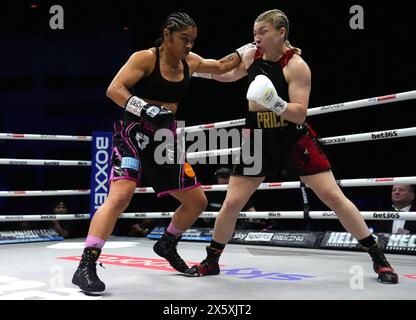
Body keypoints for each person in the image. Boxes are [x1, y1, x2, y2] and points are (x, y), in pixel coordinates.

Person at [184, 9, 398, 284]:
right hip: (258, 135)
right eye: (254, 33)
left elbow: (299, 113)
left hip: (291, 136)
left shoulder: (296, 66)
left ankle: (379, 259)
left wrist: (275, 101)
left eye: (263, 32)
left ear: (281, 32)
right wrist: (195, 70)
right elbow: (227, 75)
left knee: (333, 197)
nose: (256, 37)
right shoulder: (252, 55)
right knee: (232, 203)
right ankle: (211, 260)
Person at [72, 12, 253, 293]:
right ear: (167, 34)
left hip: (164, 137)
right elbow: (114, 89)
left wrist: (250, 48)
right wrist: (144, 108)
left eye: (193, 40)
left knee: (196, 201)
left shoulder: (189, 62)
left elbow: (220, 66)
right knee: (121, 195)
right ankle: (86, 264)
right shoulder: (145, 58)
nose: (189, 46)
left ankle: (167, 242)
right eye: (184, 39)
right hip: (132, 131)